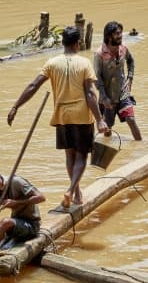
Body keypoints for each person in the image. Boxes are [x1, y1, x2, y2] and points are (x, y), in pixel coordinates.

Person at [7, 26, 108, 208]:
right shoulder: (84, 63)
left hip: (61, 115)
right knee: (82, 156)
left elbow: (33, 86)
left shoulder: (52, 63)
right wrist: (100, 119)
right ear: (78, 44)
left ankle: (76, 193)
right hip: (81, 115)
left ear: (63, 43)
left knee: (70, 154)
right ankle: (71, 190)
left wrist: (16, 106)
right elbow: (90, 94)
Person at [94, 21, 142, 141]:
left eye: (120, 33)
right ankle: (107, 148)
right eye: (117, 34)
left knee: (131, 120)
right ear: (109, 36)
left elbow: (131, 61)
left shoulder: (123, 48)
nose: (120, 36)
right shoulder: (99, 54)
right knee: (107, 128)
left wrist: (130, 78)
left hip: (123, 93)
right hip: (107, 96)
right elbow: (96, 78)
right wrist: (104, 98)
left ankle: (141, 146)